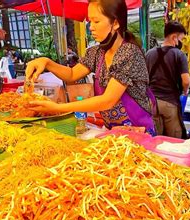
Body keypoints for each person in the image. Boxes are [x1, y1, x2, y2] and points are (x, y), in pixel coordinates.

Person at [27, 0, 156, 135]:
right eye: (90, 21)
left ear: (116, 23)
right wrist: (47, 62)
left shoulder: (129, 53)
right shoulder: (96, 53)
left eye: (96, 21)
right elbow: (71, 74)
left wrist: (58, 108)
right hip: (115, 132)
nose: (91, 27)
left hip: (140, 132)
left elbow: (107, 100)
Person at [146, 21, 190, 139]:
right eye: (182, 38)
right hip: (170, 103)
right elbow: (186, 81)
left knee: (156, 140)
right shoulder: (179, 55)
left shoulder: (149, 53)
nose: (182, 42)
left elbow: (143, 78)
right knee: (174, 140)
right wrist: (185, 91)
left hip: (152, 103)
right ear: (174, 37)